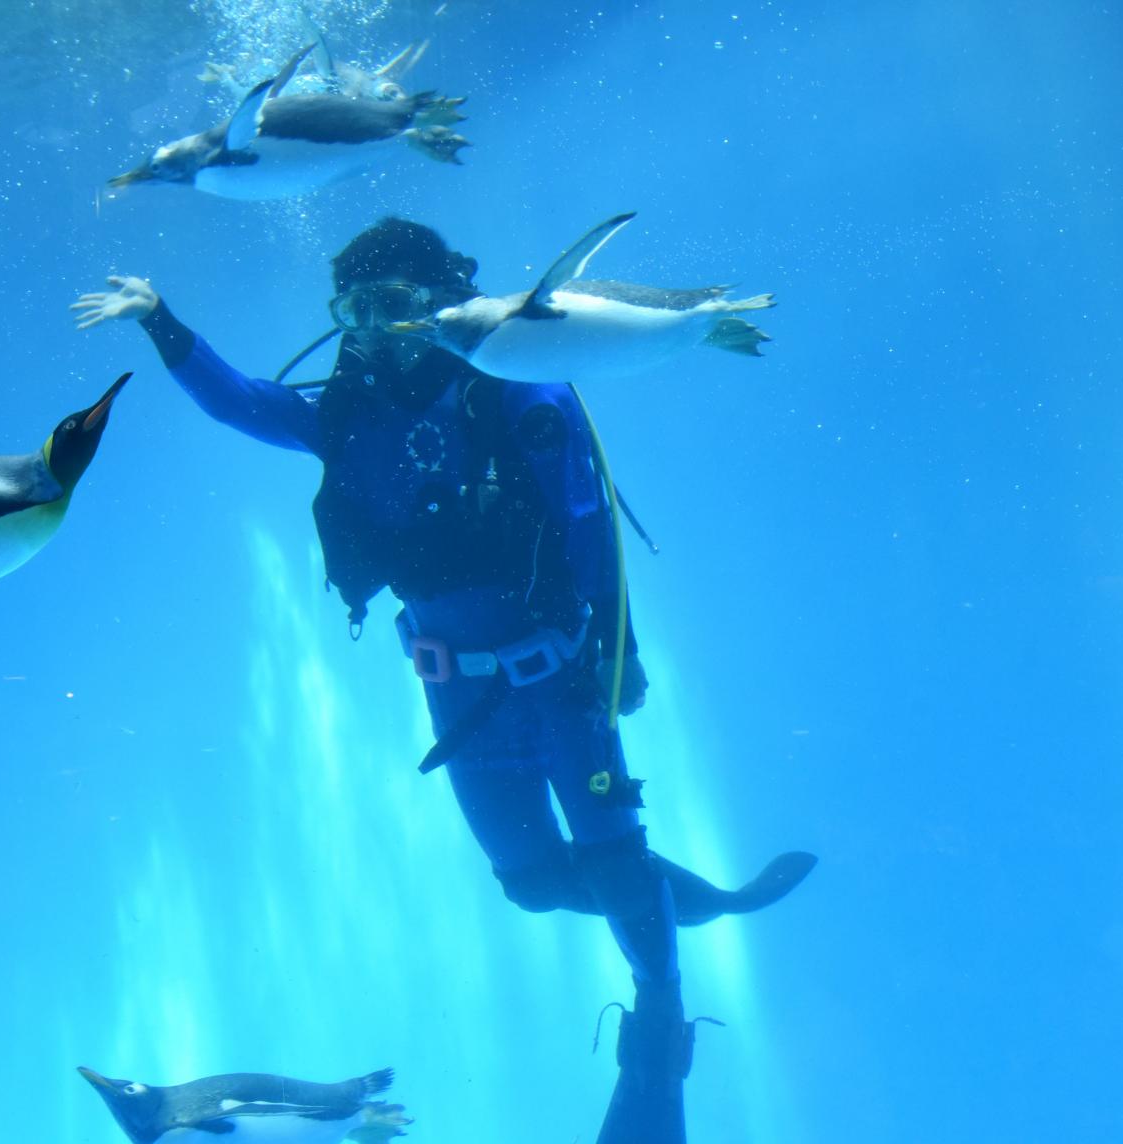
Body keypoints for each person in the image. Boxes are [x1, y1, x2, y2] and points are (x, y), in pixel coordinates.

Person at [73, 218, 813, 1144]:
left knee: (615, 867)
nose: (375, 328)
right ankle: (680, 900)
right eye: (355, 309)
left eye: (395, 304)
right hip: (458, 701)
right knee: (536, 884)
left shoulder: (516, 387)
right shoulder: (343, 416)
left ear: (441, 302)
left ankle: (659, 1023)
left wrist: (619, 661)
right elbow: (243, 404)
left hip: (560, 689)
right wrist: (160, 320)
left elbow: (589, 523)